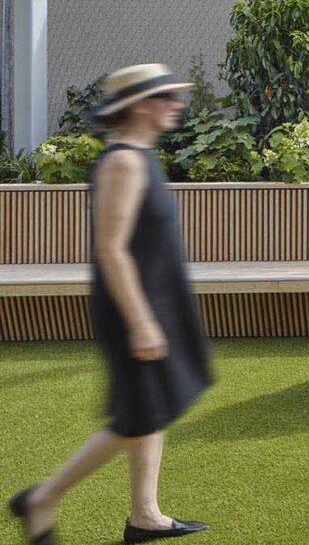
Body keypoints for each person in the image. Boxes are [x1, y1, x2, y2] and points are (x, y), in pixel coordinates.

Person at [9, 64, 213, 544]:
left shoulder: (141, 156)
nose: (175, 105)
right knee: (136, 417)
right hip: (130, 306)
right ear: (140, 104)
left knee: (152, 408)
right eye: (165, 97)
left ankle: (146, 514)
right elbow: (111, 249)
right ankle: (42, 498)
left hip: (152, 300)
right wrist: (141, 321)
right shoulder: (122, 161)